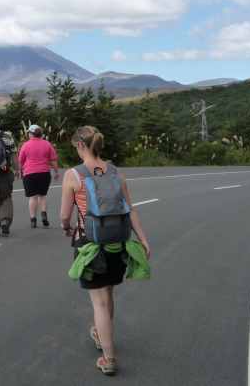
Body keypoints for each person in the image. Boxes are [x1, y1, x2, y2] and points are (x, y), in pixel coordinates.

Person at [60, 126, 151, 376]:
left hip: (90, 245)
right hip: (117, 244)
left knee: (98, 303)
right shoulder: (114, 171)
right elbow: (130, 209)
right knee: (108, 295)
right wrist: (143, 239)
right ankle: (102, 335)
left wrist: (66, 228)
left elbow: (64, 215)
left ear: (80, 145)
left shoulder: (73, 175)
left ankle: (109, 358)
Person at [17, 124, 60, 228]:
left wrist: (19, 171)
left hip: (30, 173)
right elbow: (53, 160)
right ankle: (44, 215)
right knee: (42, 196)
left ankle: (33, 219)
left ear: (31, 134)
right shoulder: (47, 144)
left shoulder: (25, 145)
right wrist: (56, 171)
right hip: (44, 173)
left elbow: (20, 160)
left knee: (32, 197)